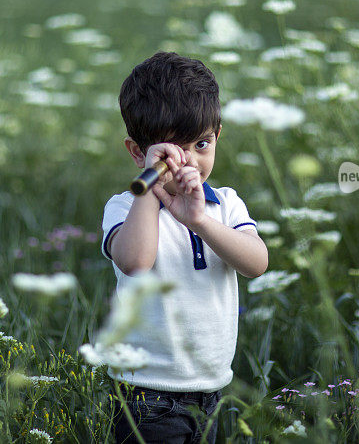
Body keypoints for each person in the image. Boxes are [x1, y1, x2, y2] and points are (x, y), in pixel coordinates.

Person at [101, 51, 269, 443]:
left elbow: (256, 263)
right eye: (172, 151)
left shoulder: (224, 204)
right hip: (147, 394)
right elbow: (135, 261)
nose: (189, 161)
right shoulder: (126, 206)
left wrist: (199, 220)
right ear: (137, 151)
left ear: (218, 135)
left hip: (210, 390)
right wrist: (150, 189)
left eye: (201, 143)